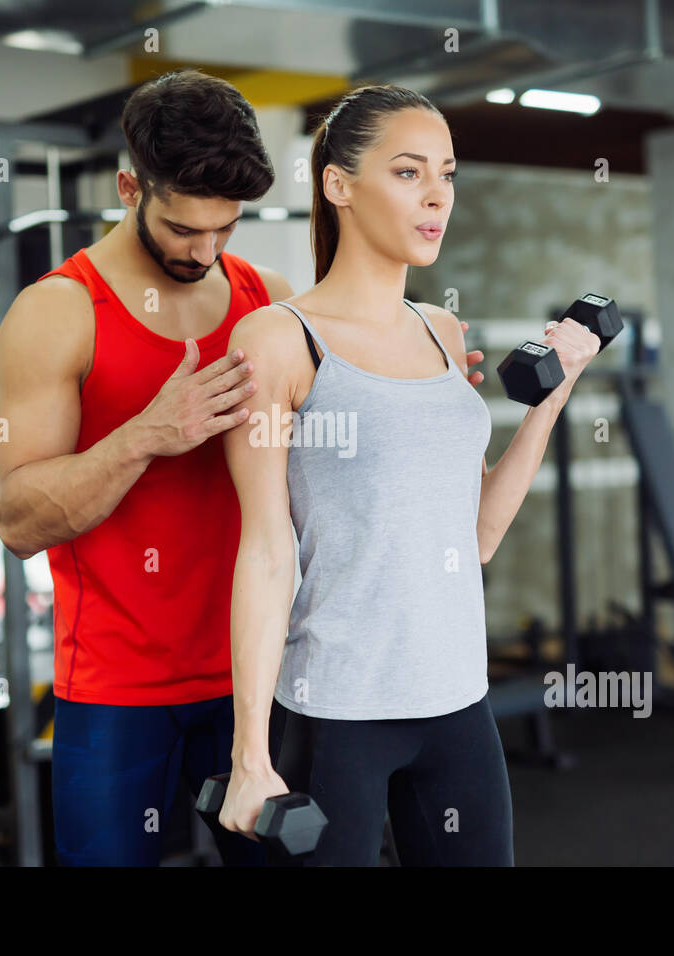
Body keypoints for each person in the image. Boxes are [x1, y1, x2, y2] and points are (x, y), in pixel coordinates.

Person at [0, 69, 488, 866]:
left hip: (262, 679)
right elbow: (17, 521)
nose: (207, 250)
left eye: (226, 227)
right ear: (128, 187)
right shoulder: (57, 312)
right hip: (121, 691)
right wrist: (146, 434)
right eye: (186, 229)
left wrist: (412, 391)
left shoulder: (269, 302)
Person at [219, 84, 601, 865]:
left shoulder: (441, 329)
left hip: (458, 703)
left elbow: (480, 534)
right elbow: (264, 552)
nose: (437, 197)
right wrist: (249, 755)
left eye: (448, 174)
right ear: (337, 184)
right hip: (337, 712)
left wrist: (553, 396)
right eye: (407, 173)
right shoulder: (277, 340)